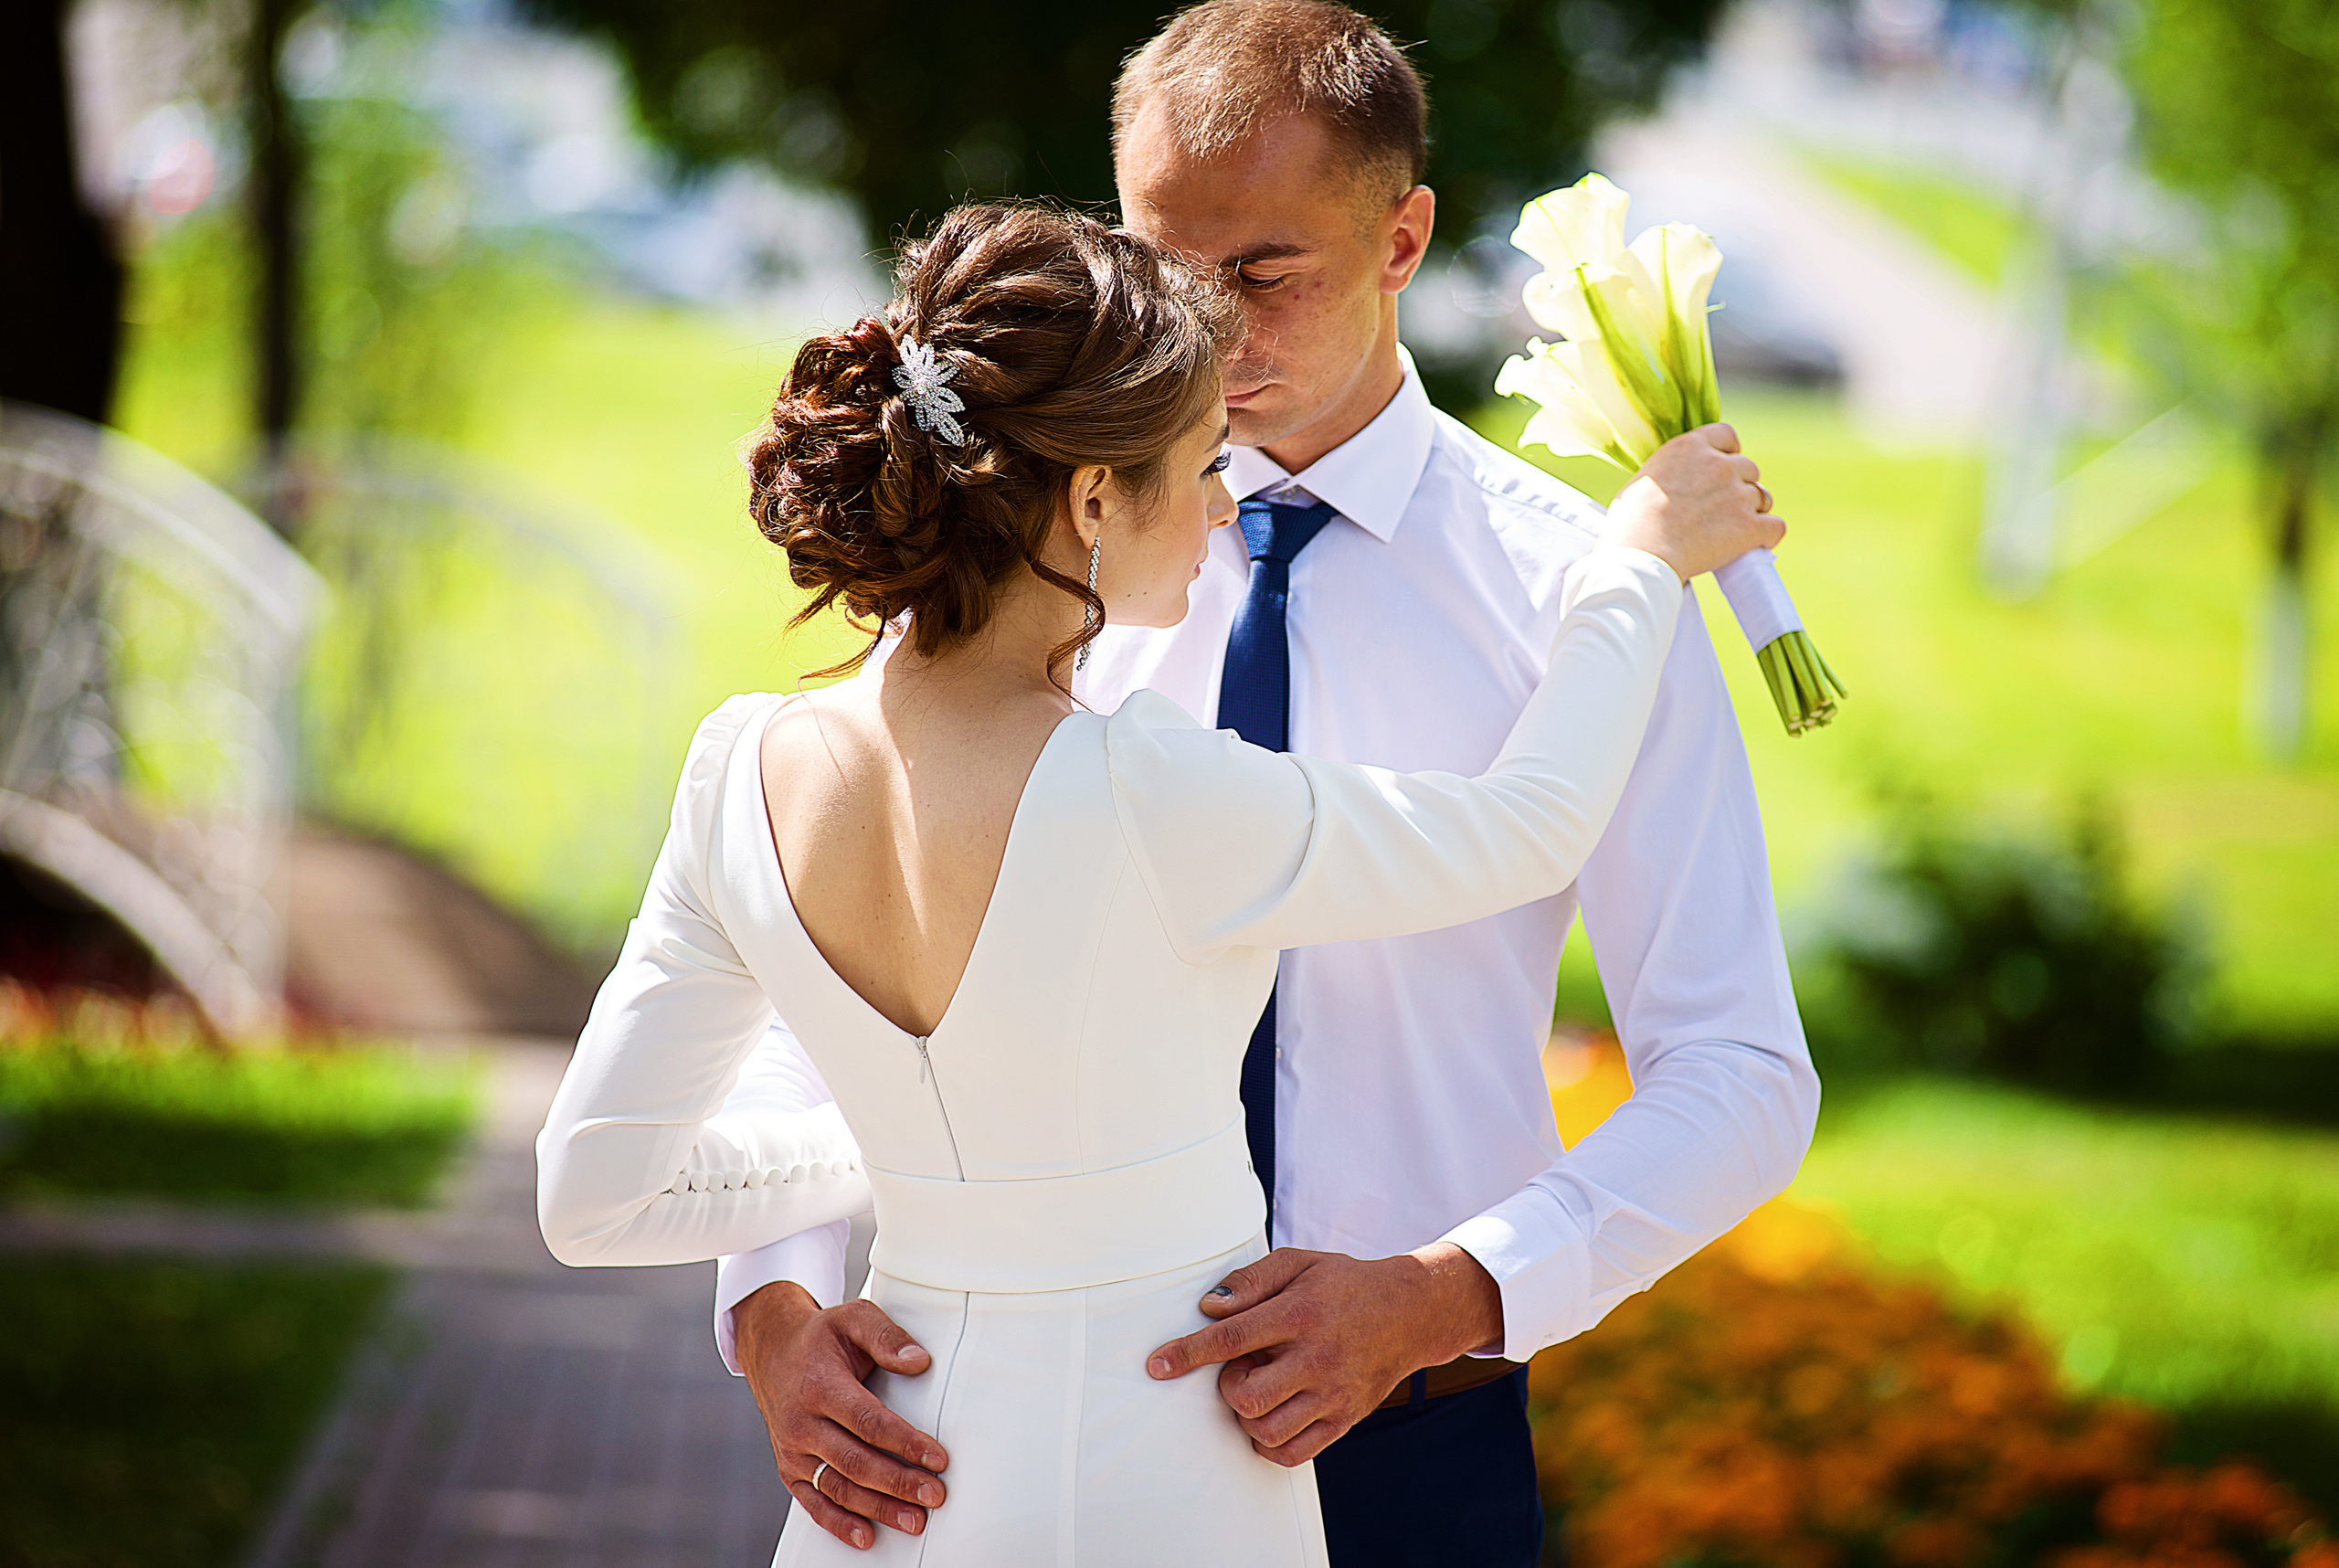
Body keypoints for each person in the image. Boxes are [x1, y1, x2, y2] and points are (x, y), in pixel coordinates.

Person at [708, 5, 1823, 1566]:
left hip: (1409, 1447)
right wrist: (774, 1295)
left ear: (1404, 236)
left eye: (1267, 276)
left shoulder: (1586, 604)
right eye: (1171, 273)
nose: (1213, 333)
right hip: (988, 1439)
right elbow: (803, 979)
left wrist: (1455, 1288)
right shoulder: (1011, 563)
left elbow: (1739, 1072)